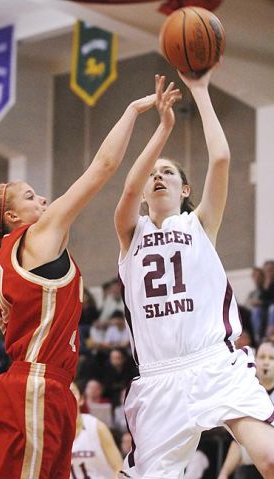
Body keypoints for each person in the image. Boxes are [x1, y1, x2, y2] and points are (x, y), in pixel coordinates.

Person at [0, 90, 157, 479]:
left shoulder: (3, 271)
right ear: (12, 216)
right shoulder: (39, 234)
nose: (44, 199)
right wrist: (131, 109)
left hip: (42, 390)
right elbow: (103, 165)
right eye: (31, 196)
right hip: (36, 387)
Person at [114, 71, 274, 479]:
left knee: (270, 457)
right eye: (153, 173)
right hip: (158, 379)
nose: (157, 176)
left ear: (186, 190)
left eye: (168, 172)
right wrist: (163, 129)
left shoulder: (199, 225)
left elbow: (220, 159)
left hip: (213, 363)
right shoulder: (131, 233)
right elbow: (129, 188)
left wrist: (200, 91)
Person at [217, 337, 274, 479]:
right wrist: (224, 473)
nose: (266, 362)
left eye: (271, 358)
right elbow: (237, 443)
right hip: (248, 470)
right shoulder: (246, 392)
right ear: (255, 360)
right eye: (262, 357)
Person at [70, 382, 123, 479]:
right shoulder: (53, 432)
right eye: (64, 393)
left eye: (72, 392)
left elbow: (118, 468)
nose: (68, 397)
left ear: (81, 399)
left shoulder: (97, 427)